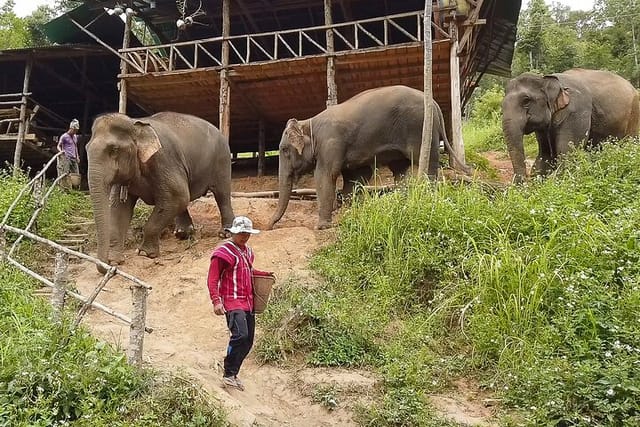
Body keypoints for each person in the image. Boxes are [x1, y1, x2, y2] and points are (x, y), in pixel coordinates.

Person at [207, 216, 274, 391]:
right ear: (233, 232)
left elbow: (249, 271)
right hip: (232, 301)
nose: (244, 236)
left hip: (248, 302)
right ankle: (228, 372)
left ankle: (233, 373)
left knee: (249, 341)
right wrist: (216, 301)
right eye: (241, 233)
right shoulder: (223, 253)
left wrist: (264, 274)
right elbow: (212, 279)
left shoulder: (248, 252)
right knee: (240, 335)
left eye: (247, 234)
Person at [57, 119, 80, 186]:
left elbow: (75, 147)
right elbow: (58, 146)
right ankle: (65, 188)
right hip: (67, 157)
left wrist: (77, 156)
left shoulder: (75, 137)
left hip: (74, 158)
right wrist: (61, 152)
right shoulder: (64, 136)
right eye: (75, 130)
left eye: (76, 130)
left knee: (76, 174)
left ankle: (75, 188)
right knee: (66, 173)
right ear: (71, 128)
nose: (75, 132)